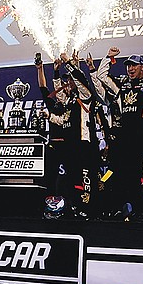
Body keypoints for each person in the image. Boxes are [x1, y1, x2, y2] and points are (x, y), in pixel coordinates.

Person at [95, 48, 143, 220]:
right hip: (125, 137)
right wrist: (108, 57)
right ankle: (127, 209)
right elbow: (101, 76)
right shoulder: (122, 85)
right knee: (125, 173)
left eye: (134, 65)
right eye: (128, 66)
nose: (130, 69)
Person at [37, 52, 99, 218]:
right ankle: (75, 208)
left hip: (85, 144)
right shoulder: (70, 102)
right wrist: (49, 116)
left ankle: (88, 210)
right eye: (67, 81)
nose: (68, 83)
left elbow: (81, 80)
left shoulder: (85, 97)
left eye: (70, 80)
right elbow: (59, 103)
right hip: (72, 146)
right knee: (73, 179)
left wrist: (69, 63)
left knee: (86, 178)